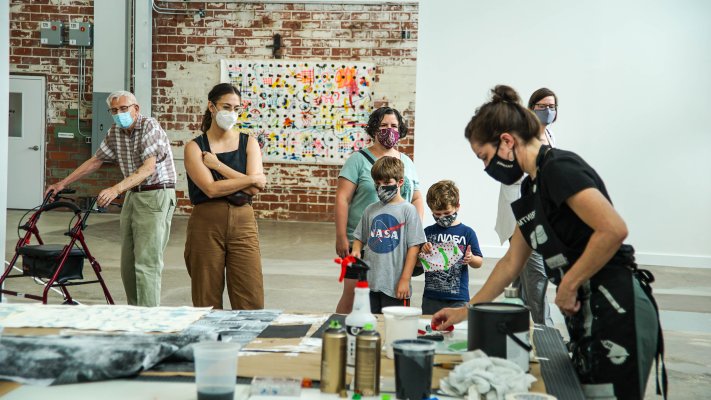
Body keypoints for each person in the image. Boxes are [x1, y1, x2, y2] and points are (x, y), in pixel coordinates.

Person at [433, 85, 665, 399]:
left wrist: (568, 283)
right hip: (589, 310)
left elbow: (612, 229)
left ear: (506, 142)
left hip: (617, 306)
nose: (485, 168)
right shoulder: (532, 190)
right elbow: (511, 262)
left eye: (484, 157)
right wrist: (467, 310)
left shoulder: (558, 168)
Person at [46, 90, 176, 307]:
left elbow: (148, 168)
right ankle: (135, 313)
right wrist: (62, 184)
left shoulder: (149, 126)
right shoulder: (116, 130)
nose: (119, 114)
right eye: (114, 110)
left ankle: (149, 319)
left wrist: (116, 189)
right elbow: (96, 160)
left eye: (124, 109)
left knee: (147, 262)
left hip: (156, 193)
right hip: (133, 194)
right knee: (128, 263)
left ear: (136, 109)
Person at [183, 83, 267, 310]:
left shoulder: (248, 142)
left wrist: (217, 165)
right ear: (211, 106)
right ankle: (209, 343)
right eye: (226, 106)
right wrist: (249, 179)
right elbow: (211, 189)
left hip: (243, 220)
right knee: (206, 295)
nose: (232, 113)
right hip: (206, 222)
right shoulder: (194, 147)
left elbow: (254, 189)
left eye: (236, 108)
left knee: (250, 294)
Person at [334, 107, 424, 313]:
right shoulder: (358, 160)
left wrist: (415, 232)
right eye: (383, 125)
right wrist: (341, 237)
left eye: (393, 125)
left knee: (389, 295)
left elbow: (417, 197)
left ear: (400, 128)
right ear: (374, 128)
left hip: (396, 244)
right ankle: (338, 328)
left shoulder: (406, 162)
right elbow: (342, 198)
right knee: (353, 295)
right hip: (362, 241)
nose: (389, 130)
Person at [495, 88, 560, 326]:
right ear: (530, 109)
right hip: (523, 218)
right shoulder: (518, 138)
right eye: (541, 106)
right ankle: (546, 330)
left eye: (551, 106)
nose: (547, 111)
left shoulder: (551, 136)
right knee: (538, 276)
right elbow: (508, 179)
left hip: (543, 215)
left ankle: (512, 330)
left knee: (521, 282)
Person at [351, 156, 426, 313]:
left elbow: (414, 248)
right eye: (378, 184)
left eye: (387, 183)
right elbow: (359, 237)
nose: (381, 187)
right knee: (370, 326)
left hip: (395, 285)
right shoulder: (370, 209)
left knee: (396, 328)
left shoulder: (408, 210)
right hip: (370, 283)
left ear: (400, 182)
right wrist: (356, 251)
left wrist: (405, 279)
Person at [420, 180, 483, 315]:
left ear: (457, 206)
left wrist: (471, 258)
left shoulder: (467, 232)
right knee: (430, 331)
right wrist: (423, 250)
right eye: (437, 214)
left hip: (458, 298)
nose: (442, 217)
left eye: (447, 213)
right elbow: (419, 263)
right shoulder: (427, 232)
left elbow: (479, 262)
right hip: (431, 297)